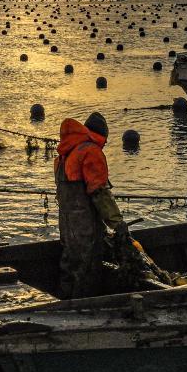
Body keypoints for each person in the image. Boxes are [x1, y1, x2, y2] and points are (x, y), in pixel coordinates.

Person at [54, 112, 126, 299]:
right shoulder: (91, 152)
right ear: (103, 135)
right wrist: (118, 224)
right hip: (85, 224)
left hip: (67, 223)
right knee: (87, 267)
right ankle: (83, 307)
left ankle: (63, 302)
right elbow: (99, 193)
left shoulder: (66, 152)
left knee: (69, 263)